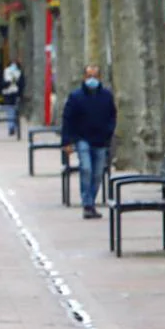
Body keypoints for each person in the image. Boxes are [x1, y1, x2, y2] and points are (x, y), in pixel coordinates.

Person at [61, 65, 117, 220]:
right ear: (84, 78)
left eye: (95, 76)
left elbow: (112, 116)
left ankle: (91, 200)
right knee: (86, 168)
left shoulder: (106, 96)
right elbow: (67, 119)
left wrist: (108, 133)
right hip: (82, 139)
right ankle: (87, 204)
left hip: (100, 140)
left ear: (99, 78)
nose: (91, 79)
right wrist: (67, 141)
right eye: (89, 76)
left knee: (98, 174)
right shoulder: (76, 96)